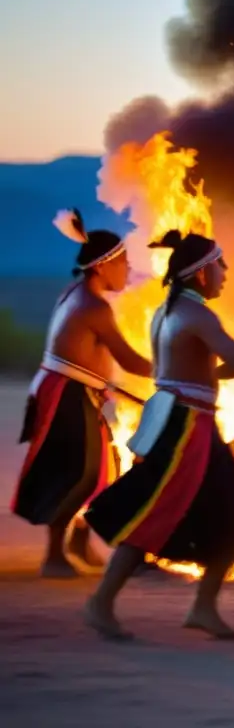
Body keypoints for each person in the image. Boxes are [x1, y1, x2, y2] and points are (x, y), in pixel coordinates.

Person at [83, 230, 234, 641]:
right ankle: (101, 602)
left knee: (232, 510)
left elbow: (202, 372)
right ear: (203, 274)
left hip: (186, 421)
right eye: (220, 265)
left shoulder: (170, 310)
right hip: (187, 427)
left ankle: (203, 608)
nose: (225, 272)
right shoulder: (197, 314)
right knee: (156, 511)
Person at [11, 209, 151, 578]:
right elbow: (131, 361)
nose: (127, 268)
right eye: (122, 262)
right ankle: (53, 556)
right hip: (66, 395)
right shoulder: (94, 307)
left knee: (103, 469)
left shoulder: (76, 293)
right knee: (77, 472)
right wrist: (178, 368)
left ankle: (79, 541)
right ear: (102, 266)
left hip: (73, 391)